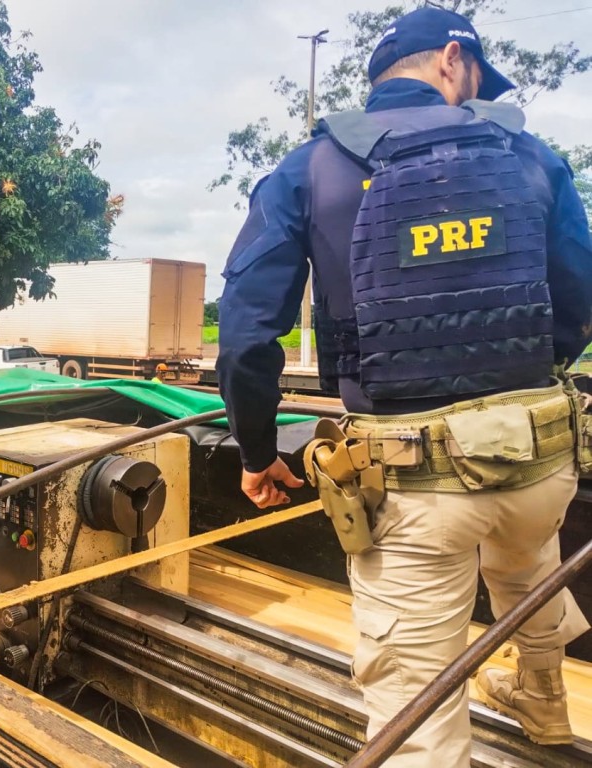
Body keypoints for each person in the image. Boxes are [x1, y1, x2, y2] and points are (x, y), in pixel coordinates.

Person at [216, 7, 592, 765]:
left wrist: (258, 453)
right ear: (453, 60)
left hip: (413, 482)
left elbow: (249, 335)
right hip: (541, 460)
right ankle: (546, 704)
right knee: (526, 571)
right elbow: (579, 298)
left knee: (417, 707)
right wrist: (516, 383)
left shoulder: (308, 168)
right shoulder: (531, 156)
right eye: (477, 74)